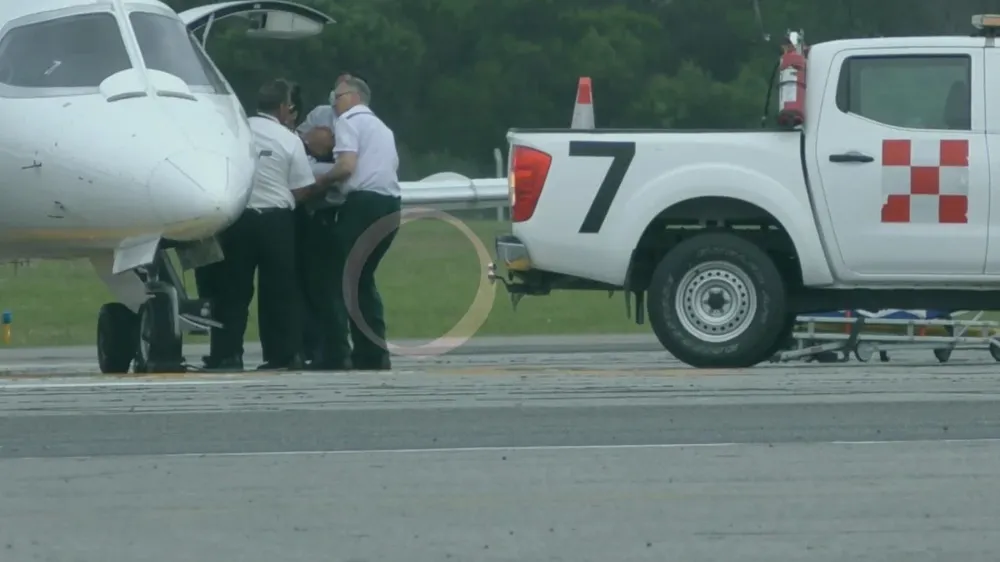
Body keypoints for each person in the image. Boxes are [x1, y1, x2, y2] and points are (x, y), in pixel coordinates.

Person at [212, 78, 335, 371]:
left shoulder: (236, 132)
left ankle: (227, 354)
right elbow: (301, 187)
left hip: (238, 218)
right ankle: (282, 355)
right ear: (283, 108)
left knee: (232, 291)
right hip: (276, 222)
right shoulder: (289, 139)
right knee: (279, 291)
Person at [325, 75, 402, 371]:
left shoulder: (348, 121)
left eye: (339, 95)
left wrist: (321, 180)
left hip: (363, 204)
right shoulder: (383, 128)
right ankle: (373, 351)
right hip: (390, 205)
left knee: (343, 277)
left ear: (355, 97)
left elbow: (346, 166)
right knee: (363, 277)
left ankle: (344, 351)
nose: (334, 101)